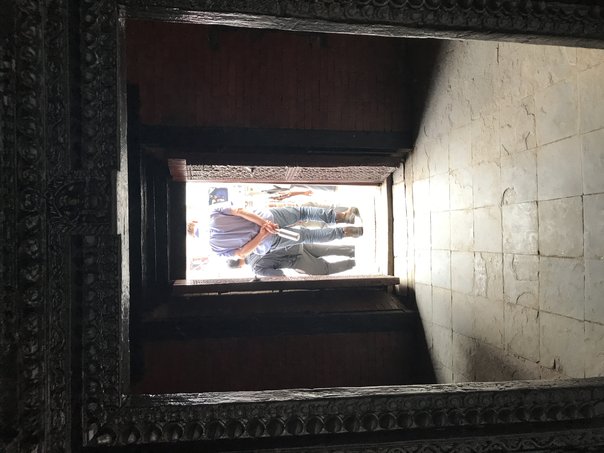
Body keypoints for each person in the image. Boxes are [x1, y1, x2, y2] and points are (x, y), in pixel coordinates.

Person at [208, 204, 362, 259]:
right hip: (268, 218)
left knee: (307, 236)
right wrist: (264, 224)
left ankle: (347, 232)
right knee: (303, 213)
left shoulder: (216, 251)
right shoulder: (213, 213)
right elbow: (239, 211)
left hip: (267, 242)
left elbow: (242, 253)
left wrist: (262, 235)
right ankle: (343, 217)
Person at [240, 243, 356, 277]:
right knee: (328, 249)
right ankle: (354, 251)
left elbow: (279, 274)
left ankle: (353, 263)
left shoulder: (256, 268)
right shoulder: (252, 248)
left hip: (297, 261)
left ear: (239, 266)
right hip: (296, 246)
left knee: (326, 269)